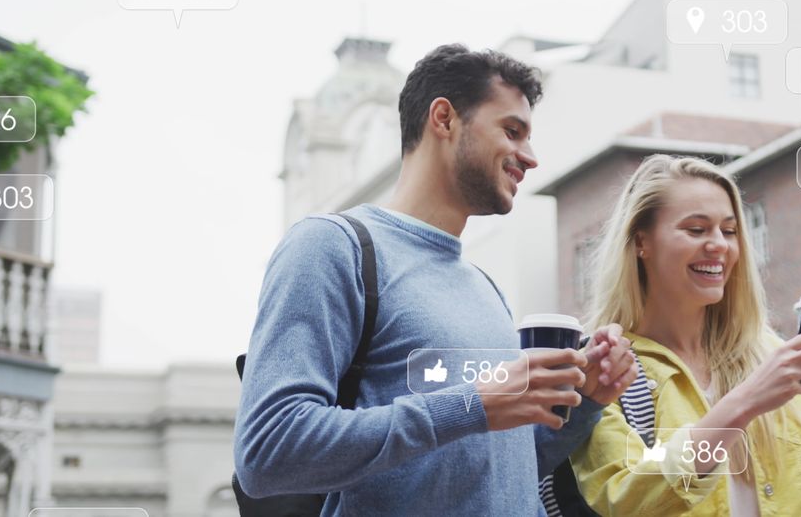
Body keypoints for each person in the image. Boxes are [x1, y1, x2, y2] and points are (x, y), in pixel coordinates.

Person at [233, 44, 637, 516]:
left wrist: (585, 401)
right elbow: (268, 451)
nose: (529, 158)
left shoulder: (484, 287)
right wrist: (471, 405)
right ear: (443, 118)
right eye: (512, 131)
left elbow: (499, 468)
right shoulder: (331, 246)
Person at [570, 155, 801, 516]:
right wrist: (746, 402)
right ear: (641, 242)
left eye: (728, 230)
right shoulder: (605, 370)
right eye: (696, 229)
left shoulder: (768, 355)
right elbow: (626, 497)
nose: (719, 245)